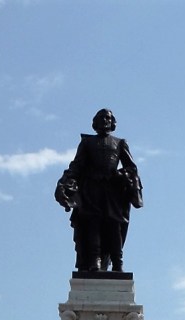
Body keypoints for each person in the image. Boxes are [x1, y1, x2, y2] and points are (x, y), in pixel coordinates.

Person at [55, 108, 143, 273]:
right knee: (93, 223)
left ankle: (117, 262)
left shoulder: (120, 143)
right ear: (95, 123)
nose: (105, 120)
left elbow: (131, 167)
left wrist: (123, 175)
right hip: (92, 189)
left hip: (113, 190)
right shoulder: (87, 143)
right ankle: (95, 260)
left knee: (114, 225)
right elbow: (77, 165)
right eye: (101, 118)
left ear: (113, 122)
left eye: (108, 118)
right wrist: (66, 182)